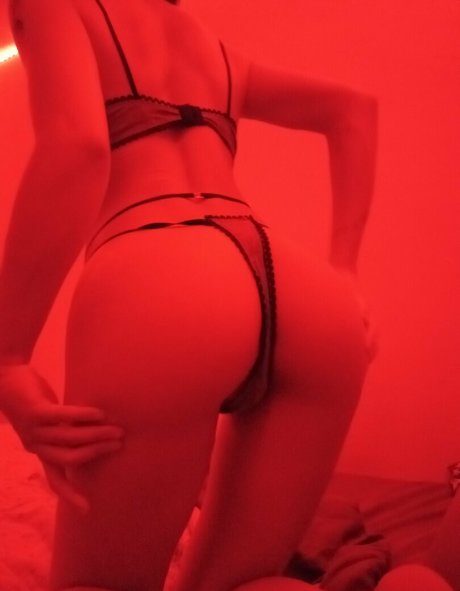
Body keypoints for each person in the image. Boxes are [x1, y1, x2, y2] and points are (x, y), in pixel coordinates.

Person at [0, 0, 378, 590]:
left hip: (163, 265)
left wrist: (9, 355)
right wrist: (346, 272)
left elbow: (77, 145)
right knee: (247, 583)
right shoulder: (215, 50)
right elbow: (353, 110)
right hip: (308, 296)